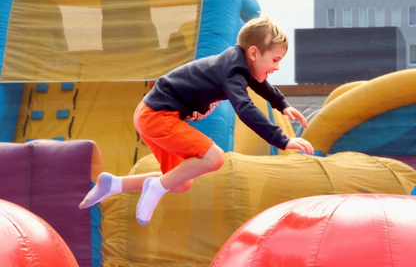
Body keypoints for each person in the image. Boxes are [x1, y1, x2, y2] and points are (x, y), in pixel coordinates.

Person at [79, 16, 314, 225]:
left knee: (181, 182)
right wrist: (282, 140)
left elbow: (260, 84)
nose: (277, 67)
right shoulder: (233, 72)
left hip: (150, 114)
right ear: (254, 53)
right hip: (158, 116)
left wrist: (283, 105)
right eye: (275, 60)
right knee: (214, 157)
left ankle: (114, 184)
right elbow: (246, 109)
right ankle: (156, 187)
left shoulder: (239, 66)